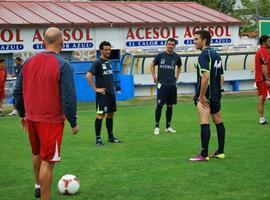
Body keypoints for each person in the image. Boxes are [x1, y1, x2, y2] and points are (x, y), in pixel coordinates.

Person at [13, 27, 79, 200]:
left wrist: (22, 113)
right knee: (47, 162)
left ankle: (37, 186)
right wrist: (73, 122)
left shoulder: (28, 62)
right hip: (51, 121)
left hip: (32, 117)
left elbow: (17, 91)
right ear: (61, 43)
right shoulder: (63, 65)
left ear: (43, 42)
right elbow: (68, 97)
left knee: (37, 154)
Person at [189, 30, 226, 162]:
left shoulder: (204, 55)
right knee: (218, 122)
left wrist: (202, 95)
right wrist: (217, 91)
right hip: (216, 94)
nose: (195, 42)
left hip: (207, 94)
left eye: (196, 39)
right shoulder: (216, 55)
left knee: (204, 122)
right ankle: (220, 151)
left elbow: (205, 77)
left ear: (204, 40)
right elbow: (221, 76)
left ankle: (204, 154)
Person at [86, 41, 122, 146]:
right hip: (102, 94)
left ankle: (110, 137)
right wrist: (96, 89)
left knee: (110, 115)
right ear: (101, 50)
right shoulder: (97, 63)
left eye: (109, 49)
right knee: (100, 115)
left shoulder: (109, 62)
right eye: (106, 49)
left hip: (111, 93)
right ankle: (98, 139)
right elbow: (88, 76)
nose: (108, 51)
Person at [150, 38, 182, 135]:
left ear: (174, 46)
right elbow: (152, 65)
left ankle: (168, 127)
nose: (171, 46)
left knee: (170, 106)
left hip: (172, 85)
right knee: (159, 105)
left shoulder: (176, 57)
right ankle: (156, 126)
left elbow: (179, 66)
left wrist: (177, 77)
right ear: (166, 45)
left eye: (172, 44)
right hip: (162, 85)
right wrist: (154, 76)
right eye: (169, 44)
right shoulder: (160, 56)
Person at [254, 35, 270, 125]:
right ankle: (261, 119)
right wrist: (268, 78)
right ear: (264, 42)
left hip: (260, 79)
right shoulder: (263, 51)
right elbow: (264, 66)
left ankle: (261, 119)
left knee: (261, 98)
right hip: (264, 79)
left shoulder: (260, 51)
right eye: (269, 41)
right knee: (264, 98)